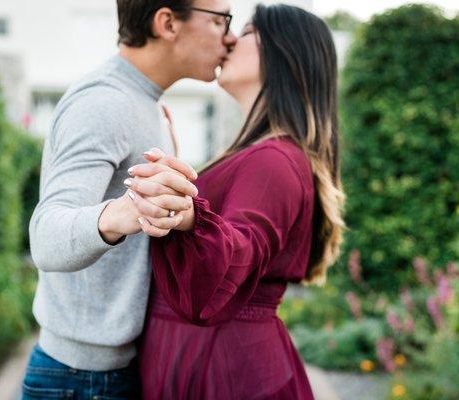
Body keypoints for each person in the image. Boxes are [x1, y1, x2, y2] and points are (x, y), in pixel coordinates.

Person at [126, 4, 346, 399]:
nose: (227, 39)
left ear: (281, 53)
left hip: (224, 369)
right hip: (215, 358)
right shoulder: (265, 154)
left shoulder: (275, 160)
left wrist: (190, 215)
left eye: (245, 32)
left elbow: (241, 250)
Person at [22, 1, 236, 398]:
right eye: (221, 20)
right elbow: (46, 239)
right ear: (168, 22)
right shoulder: (104, 102)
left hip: (112, 371)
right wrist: (125, 211)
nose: (230, 36)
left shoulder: (147, 102)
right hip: (82, 380)